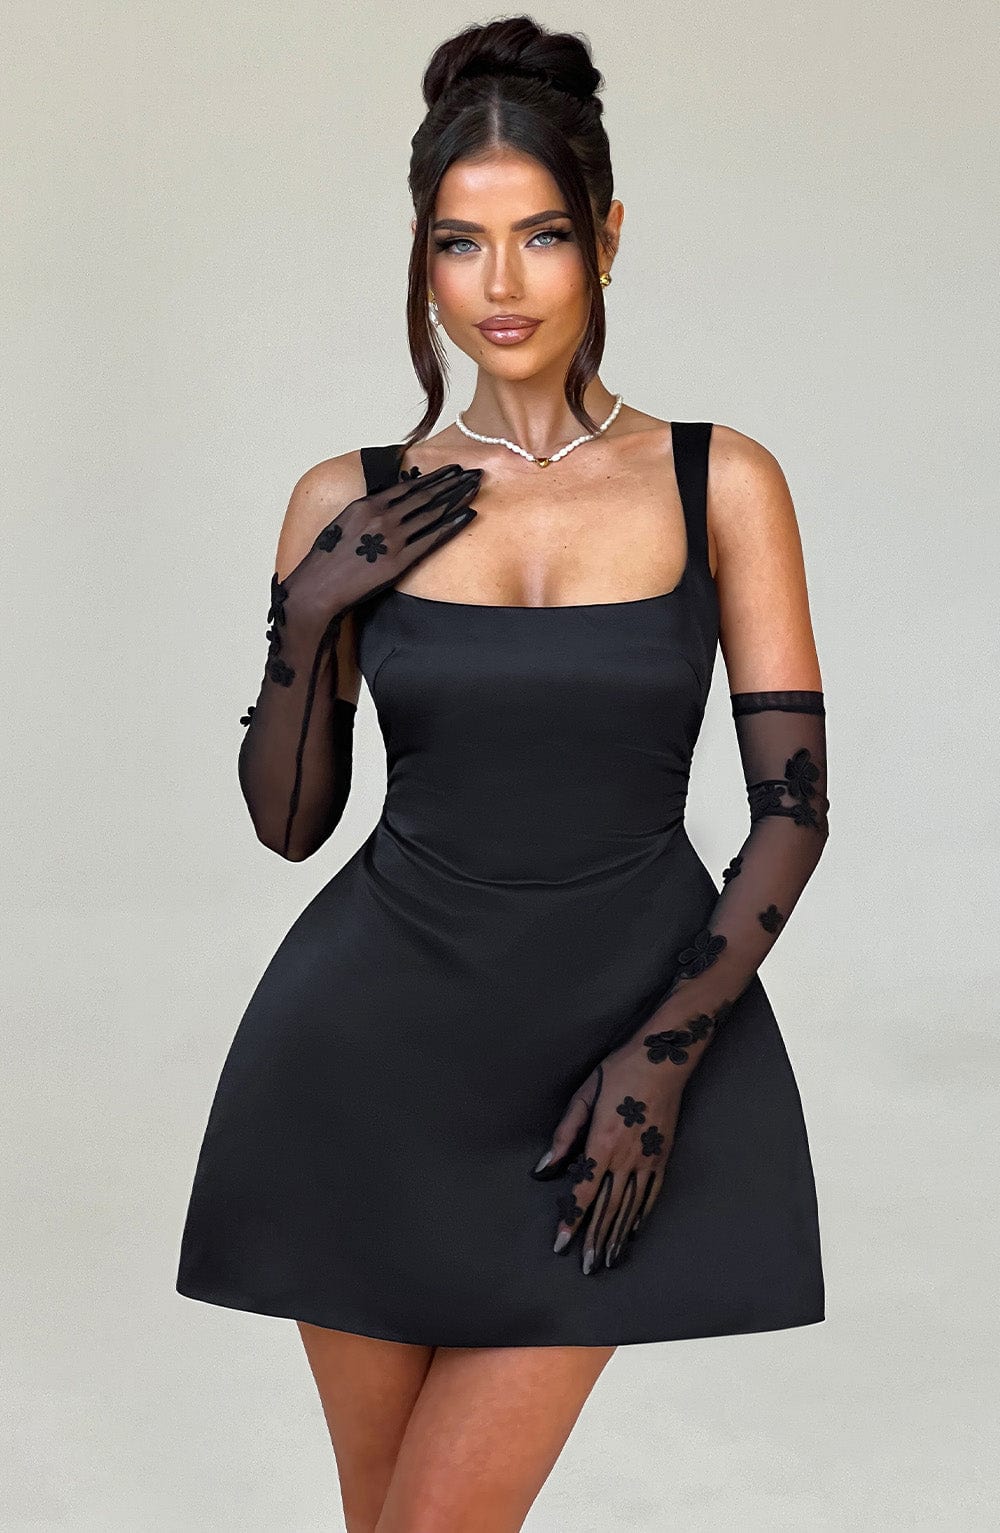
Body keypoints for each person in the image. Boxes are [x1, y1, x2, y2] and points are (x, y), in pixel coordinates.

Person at [176, 16, 830, 1532]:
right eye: (459, 244)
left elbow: (792, 816)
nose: (502, 284)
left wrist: (662, 1060)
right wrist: (305, 620)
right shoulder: (347, 500)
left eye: (540, 235)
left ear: (607, 235)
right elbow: (289, 824)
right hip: (363, 1067)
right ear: (423, 259)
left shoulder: (719, 479)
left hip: (612, 1065)